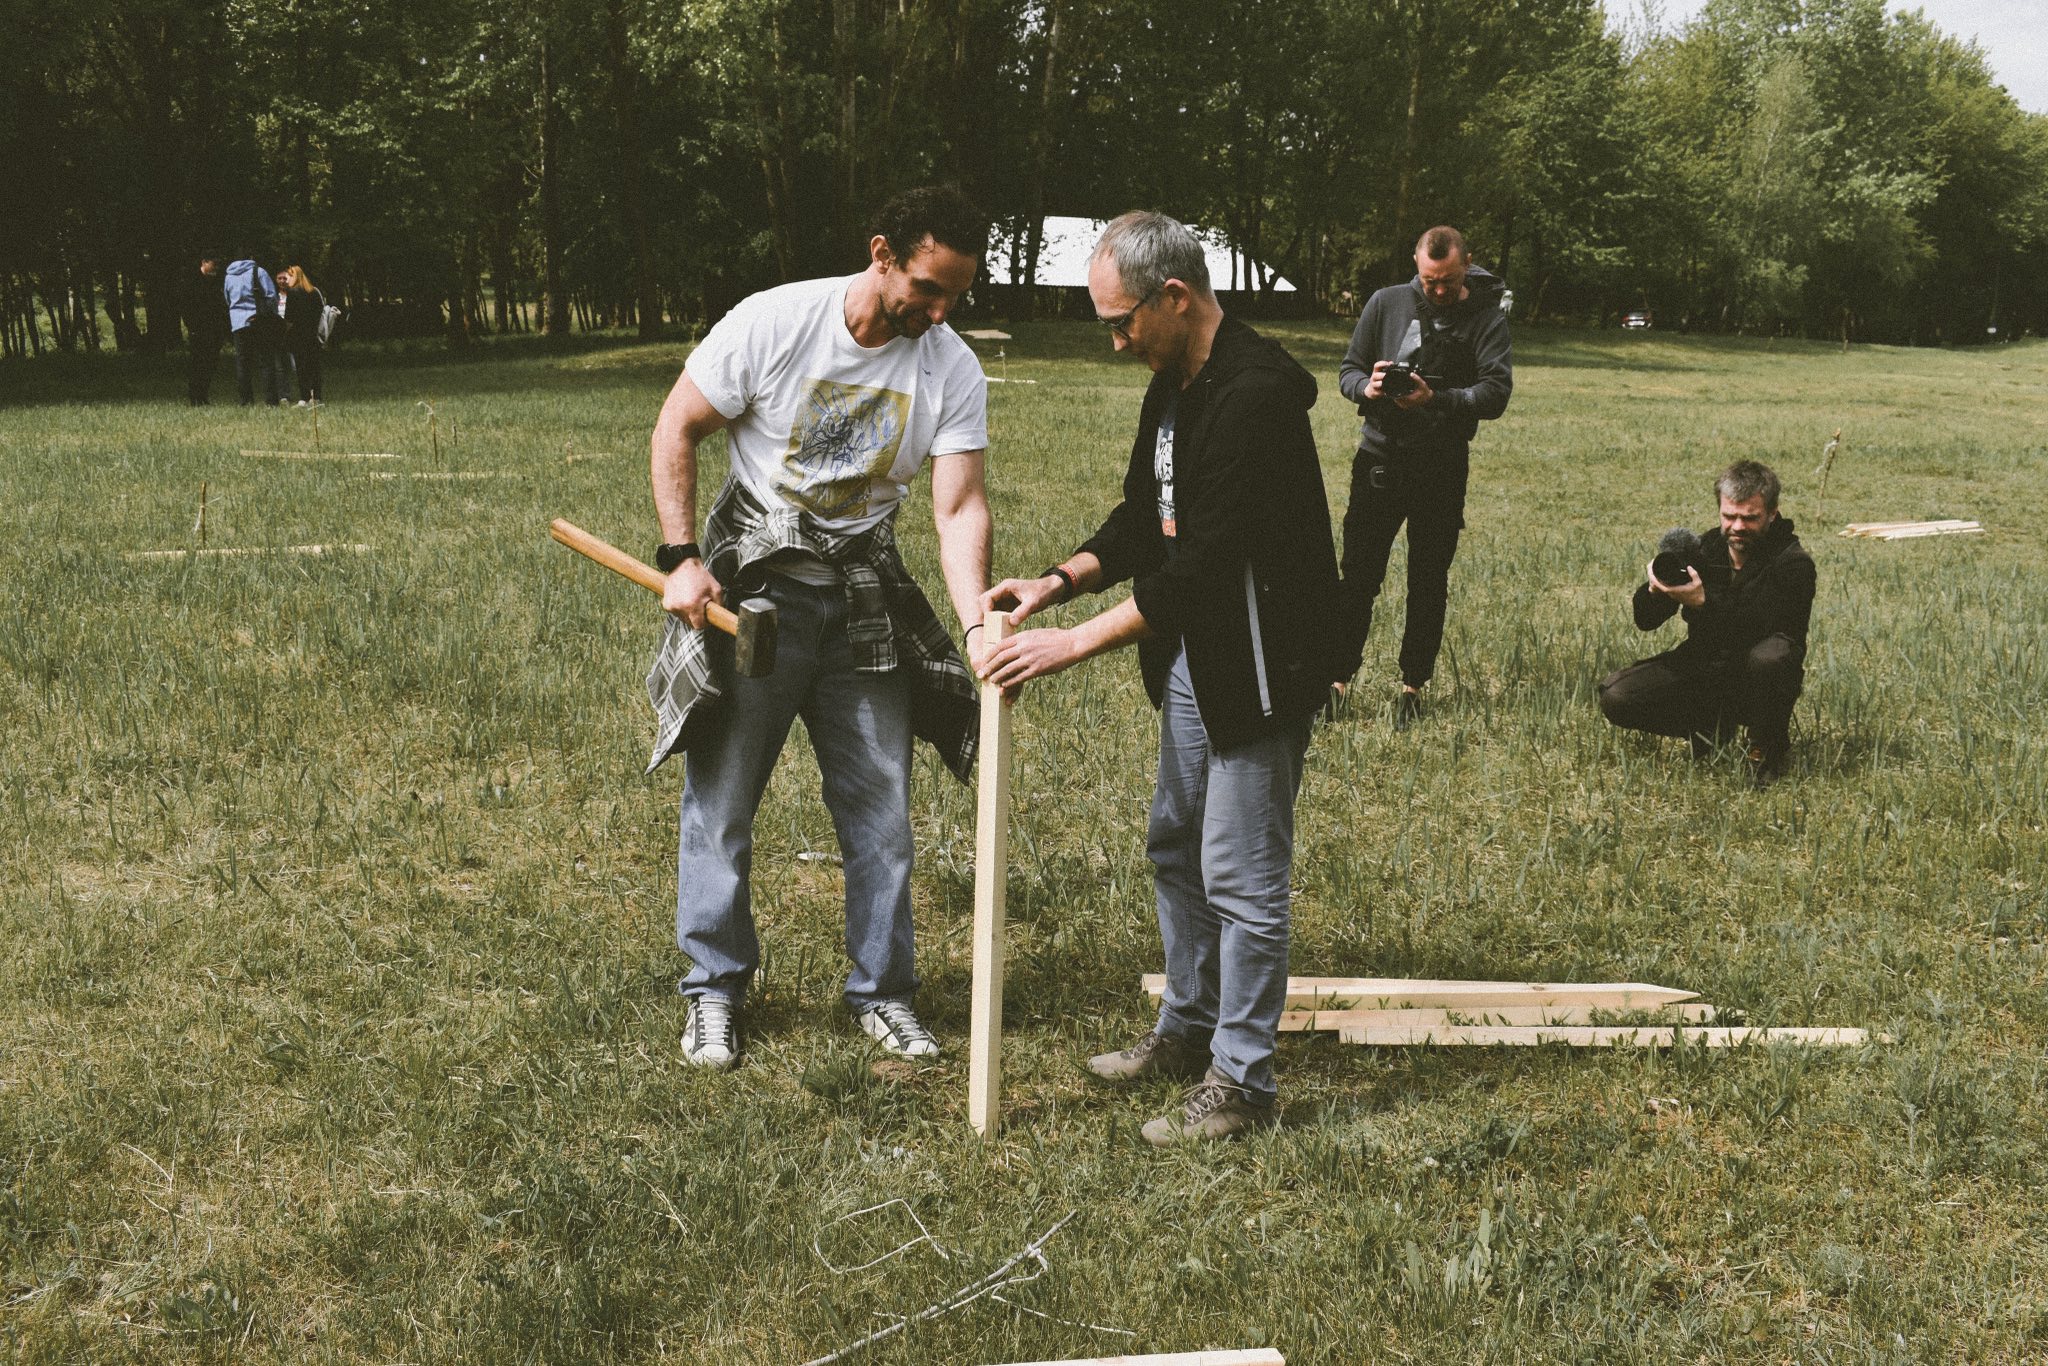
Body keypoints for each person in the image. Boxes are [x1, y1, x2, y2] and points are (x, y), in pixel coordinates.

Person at [978, 211, 1340, 1146]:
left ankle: (1243, 1081)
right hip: (1196, 656)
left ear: (1175, 297)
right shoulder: (1174, 384)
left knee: (1242, 877)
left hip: (1261, 662)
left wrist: (1069, 644)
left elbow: (1207, 565)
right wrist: (1055, 583)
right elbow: (1148, 517)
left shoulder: (1256, 397)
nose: (1115, 341)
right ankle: (1187, 1028)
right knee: (1175, 845)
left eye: (1121, 321)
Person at [646, 185, 995, 1069]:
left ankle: (884, 994)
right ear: (882, 255)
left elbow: (958, 506)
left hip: (863, 601)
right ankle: (714, 991)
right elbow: (678, 425)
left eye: (956, 296)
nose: (939, 311)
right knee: (722, 805)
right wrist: (682, 556)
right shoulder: (776, 322)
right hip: (756, 601)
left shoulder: (950, 368)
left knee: (882, 814)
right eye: (927, 288)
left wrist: (976, 624)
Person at [1332, 225, 1513, 729]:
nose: (1437, 290)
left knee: (1428, 580)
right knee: (1358, 576)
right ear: (1416, 262)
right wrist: (1367, 389)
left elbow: (1496, 394)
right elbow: (1347, 371)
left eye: (1448, 281)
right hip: (1380, 458)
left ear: (1467, 265)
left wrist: (1438, 399)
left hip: (1442, 464)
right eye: (1429, 280)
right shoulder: (1386, 302)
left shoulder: (1487, 317)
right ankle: (1336, 680)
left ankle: (1412, 686)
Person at [1597, 460, 1814, 787]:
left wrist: (1703, 602)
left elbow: (1758, 626)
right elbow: (1645, 620)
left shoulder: (1794, 564)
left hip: (1758, 681)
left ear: (1772, 514)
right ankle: (1709, 728)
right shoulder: (1706, 549)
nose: (1737, 526)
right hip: (1706, 669)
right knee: (1617, 697)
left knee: (1771, 657)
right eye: (1729, 516)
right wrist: (1657, 590)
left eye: (1750, 518)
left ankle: (1766, 745)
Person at [222, 256, 283, 406]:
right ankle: (271, 401)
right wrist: (272, 315)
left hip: (238, 323)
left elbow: (227, 299)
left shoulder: (229, 276)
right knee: (266, 361)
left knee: (242, 363)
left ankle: (246, 401)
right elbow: (271, 296)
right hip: (258, 320)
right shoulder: (259, 271)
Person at [278, 265, 326, 404]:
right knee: (314, 366)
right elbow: (320, 311)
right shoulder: (314, 291)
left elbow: (289, 317)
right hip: (313, 334)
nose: (286, 280)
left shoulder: (293, 293)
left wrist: (284, 332)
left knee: (302, 367)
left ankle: (305, 397)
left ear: (294, 277)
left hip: (298, 335)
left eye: (288, 277)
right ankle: (316, 397)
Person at [185, 254, 229, 406]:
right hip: (198, 329)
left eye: (218, 265)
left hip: (214, 329)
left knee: (210, 363)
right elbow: (187, 307)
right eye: (214, 264)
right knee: (197, 363)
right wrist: (192, 327)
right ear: (204, 262)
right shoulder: (192, 281)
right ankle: (195, 397)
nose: (216, 268)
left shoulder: (216, 281)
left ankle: (203, 395)